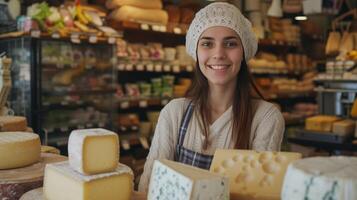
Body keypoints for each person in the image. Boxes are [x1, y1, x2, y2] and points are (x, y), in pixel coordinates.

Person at [138, 2, 284, 192]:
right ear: (196, 52)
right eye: (207, 43)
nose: (218, 54)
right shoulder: (175, 113)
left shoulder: (266, 118)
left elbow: (260, 193)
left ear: (244, 52)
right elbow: (148, 188)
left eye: (230, 44)